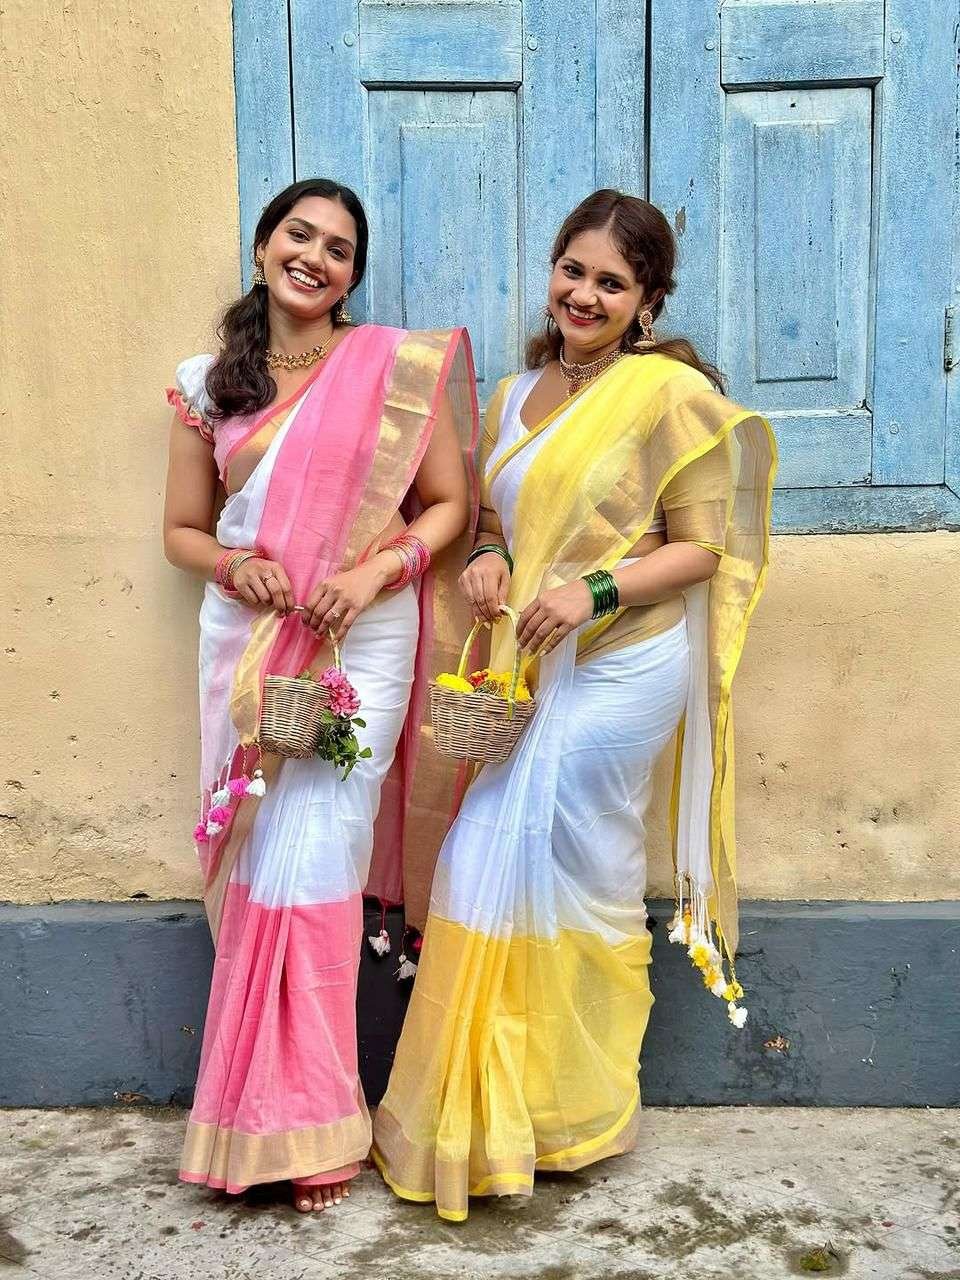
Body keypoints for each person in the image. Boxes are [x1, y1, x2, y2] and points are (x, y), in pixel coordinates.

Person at [371, 189, 776, 1221]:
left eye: (612, 282)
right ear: (550, 270)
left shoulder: (665, 393)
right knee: (491, 859)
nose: (584, 295)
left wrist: (592, 589)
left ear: (647, 302)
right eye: (573, 270)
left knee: (578, 866)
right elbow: (494, 516)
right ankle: (508, 1114)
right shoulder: (514, 394)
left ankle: (572, 1110)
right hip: (535, 661)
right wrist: (491, 558)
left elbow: (702, 547)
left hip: (626, 663)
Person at [162, 178, 477, 1212]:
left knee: (324, 845)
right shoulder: (208, 384)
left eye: (339, 249)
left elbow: (447, 507)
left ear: (352, 276)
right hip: (251, 637)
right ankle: (255, 1112)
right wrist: (232, 565)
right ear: (263, 247)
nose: (316, 257)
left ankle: (317, 1118)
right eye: (299, 235)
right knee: (261, 851)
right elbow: (182, 532)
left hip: (362, 634)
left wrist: (377, 570)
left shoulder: (392, 368)